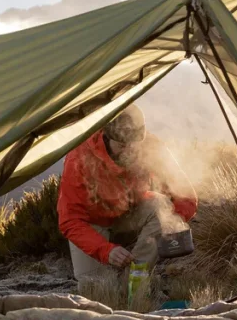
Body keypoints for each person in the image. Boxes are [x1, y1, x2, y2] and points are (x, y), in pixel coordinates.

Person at [57, 105, 198, 281]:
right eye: (122, 145)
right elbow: (70, 220)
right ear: (106, 137)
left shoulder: (151, 148)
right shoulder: (79, 157)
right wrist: (106, 251)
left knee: (160, 205)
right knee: (96, 289)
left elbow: (185, 194)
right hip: (93, 223)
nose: (130, 151)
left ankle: (135, 276)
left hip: (131, 213)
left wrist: (174, 222)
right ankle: (112, 279)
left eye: (135, 145)